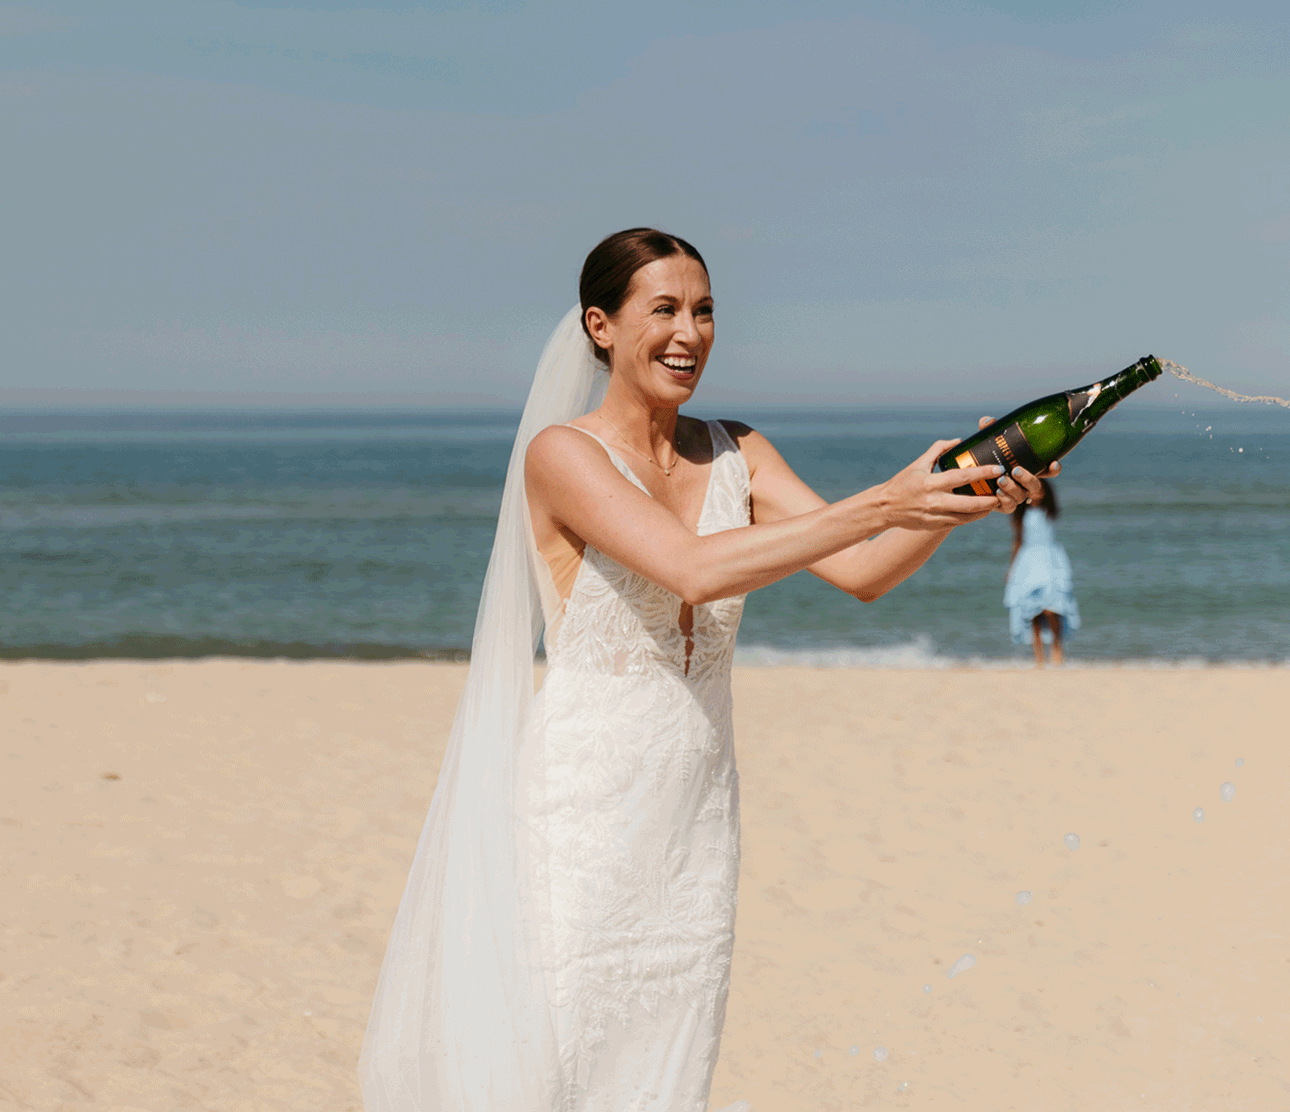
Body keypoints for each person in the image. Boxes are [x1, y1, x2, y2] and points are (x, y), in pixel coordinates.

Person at [359, 228, 1052, 1110]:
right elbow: (691, 567)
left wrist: (955, 504)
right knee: (556, 1061)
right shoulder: (561, 456)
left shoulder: (739, 450)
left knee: (668, 1074)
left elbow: (864, 572)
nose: (691, 331)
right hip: (583, 819)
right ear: (600, 327)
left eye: (706, 309)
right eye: (665, 309)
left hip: (697, 824)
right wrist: (885, 498)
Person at [1004, 477, 1079, 666]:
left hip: (1050, 560)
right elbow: (1017, 542)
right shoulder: (1020, 514)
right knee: (1032, 611)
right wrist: (1011, 568)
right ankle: (1038, 656)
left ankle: (1057, 649)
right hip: (1028, 562)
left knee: (1052, 608)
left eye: (1039, 489)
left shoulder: (1049, 511)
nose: (1035, 493)